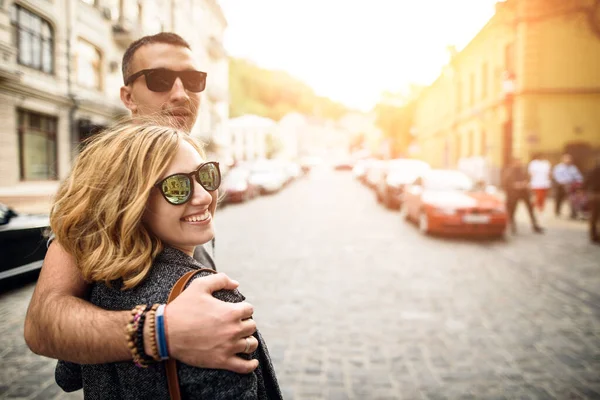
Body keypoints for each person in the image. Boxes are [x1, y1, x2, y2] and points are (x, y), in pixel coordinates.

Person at [24, 33, 258, 373]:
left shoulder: (192, 164)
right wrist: (163, 331)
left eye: (192, 80)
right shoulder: (107, 182)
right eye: (159, 79)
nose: (180, 92)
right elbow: (42, 323)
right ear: (128, 96)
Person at [51, 123, 282, 399]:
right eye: (176, 186)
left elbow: (66, 376)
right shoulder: (209, 299)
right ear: (130, 203)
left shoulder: (94, 288)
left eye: (205, 175)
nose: (203, 196)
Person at [502, 157, 544, 234]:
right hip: (513, 194)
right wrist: (515, 185)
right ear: (513, 162)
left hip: (524, 192)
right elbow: (505, 183)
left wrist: (525, 183)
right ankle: (512, 226)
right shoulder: (509, 171)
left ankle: (535, 225)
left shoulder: (523, 170)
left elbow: (528, 178)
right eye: (517, 162)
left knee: (530, 209)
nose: (519, 163)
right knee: (512, 211)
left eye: (519, 161)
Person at [552, 153, 583, 219]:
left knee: (572, 199)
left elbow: (578, 176)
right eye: (567, 159)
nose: (568, 160)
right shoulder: (558, 167)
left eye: (569, 159)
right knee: (559, 199)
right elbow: (557, 176)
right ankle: (557, 211)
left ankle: (573, 212)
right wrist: (563, 182)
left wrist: (579, 182)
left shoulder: (573, 167)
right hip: (561, 185)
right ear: (563, 160)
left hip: (571, 185)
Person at [583, 157, 600, 244]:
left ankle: (593, 235)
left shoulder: (591, 171)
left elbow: (585, 183)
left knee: (593, 216)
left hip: (592, 195)